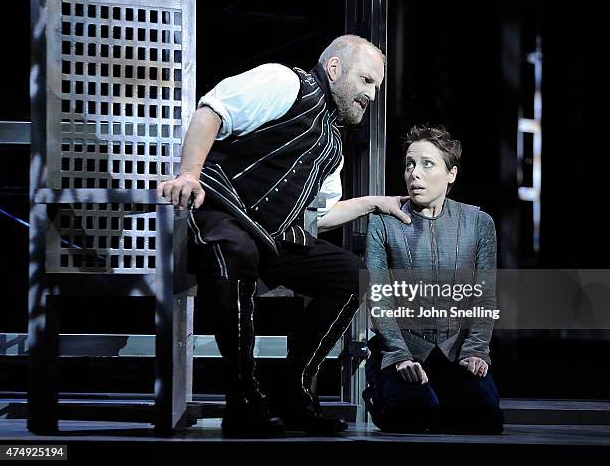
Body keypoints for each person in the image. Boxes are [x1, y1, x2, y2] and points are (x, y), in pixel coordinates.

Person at [158, 35, 410, 437]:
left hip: (271, 236)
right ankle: (243, 397)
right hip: (220, 209)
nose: (371, 95)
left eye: (376, 87)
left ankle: (292, 389)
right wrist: (189, 173)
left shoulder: (333, 146)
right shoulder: (285, 83)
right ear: (333, 69)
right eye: (365, 80)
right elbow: (212, 111)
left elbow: (319, 217)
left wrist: (373, 203)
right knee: (234, 250)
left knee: (349, 273)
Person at [363, 125, 504, 434]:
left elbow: (483, 296)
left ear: (451, 174)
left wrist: (476, 350)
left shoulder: (478, 222)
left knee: (486, 419)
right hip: (404, 349)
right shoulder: (383, 223)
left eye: (427, 164)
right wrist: (399, 356)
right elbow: (379, 298)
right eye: (410, 164)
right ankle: (394, 394)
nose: (415, 173)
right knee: (411, 414)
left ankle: (443, 399)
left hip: (455, 350)